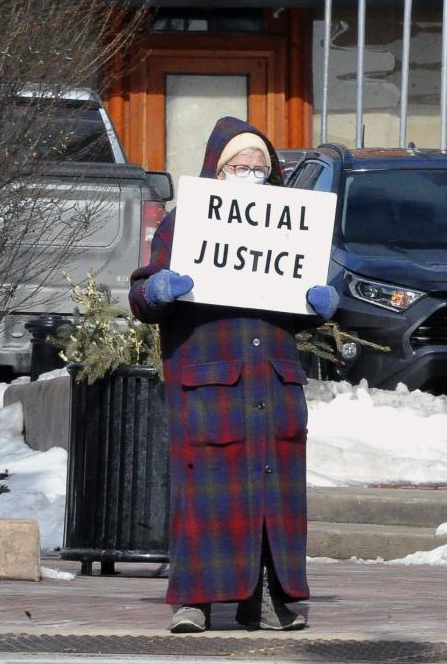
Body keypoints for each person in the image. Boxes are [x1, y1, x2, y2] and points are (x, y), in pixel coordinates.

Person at [130, 116, 340, 634]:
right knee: (206, 493)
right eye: (237, 165)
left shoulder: (291, 223)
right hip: (209, 380)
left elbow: (306, 292)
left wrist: (320, 303)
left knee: (274, 493)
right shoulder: (185, 223)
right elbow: (142, 294)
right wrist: (156, 291)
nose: (248, 172)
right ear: (216, 171)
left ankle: (270, 597)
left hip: (271, 379)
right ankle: (195, 601)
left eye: (258, 167)